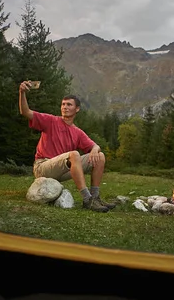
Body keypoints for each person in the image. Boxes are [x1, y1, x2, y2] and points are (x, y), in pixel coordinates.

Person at [18, 80, 115, 213]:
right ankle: (87, 199)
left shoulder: (77, 132)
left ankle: (95, 197)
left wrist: (94, 149)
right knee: (74, 154)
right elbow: (25, 112)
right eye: (63, 104)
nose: (65, 107)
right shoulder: (50, 120)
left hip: (61, 171)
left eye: (69, 104)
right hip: (42, 167)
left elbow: (95, 146)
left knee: (100, 156)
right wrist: (22, 92)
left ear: (77, 109)